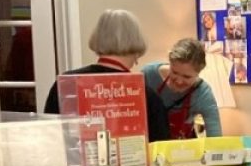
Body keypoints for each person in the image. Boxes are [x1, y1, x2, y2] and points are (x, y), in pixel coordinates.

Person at [43, 8, 170, 143]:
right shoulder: (145, 95)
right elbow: (160, 150)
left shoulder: (66, 85)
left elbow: (48, 138)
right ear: (137, 44)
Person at [142, 38, 221, 138]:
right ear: (170, 63)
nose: (179, 81)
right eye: (174, 72)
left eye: (186, 77)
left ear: (198, 73)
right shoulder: (148, 75)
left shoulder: (203, 94)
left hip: (182, 151)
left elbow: (215, 137)